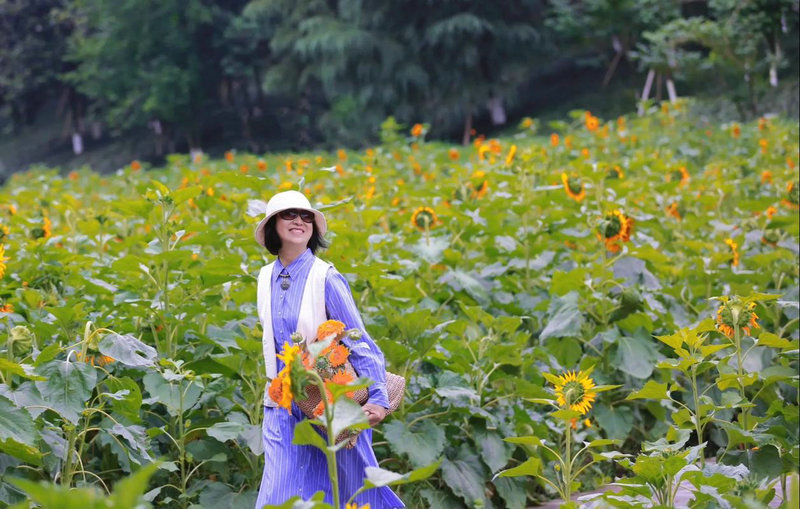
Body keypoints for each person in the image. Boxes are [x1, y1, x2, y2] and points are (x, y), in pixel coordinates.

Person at [253, 190, 404, 508]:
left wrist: (377, 399)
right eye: (289, 214)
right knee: (279, 496)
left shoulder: (326, 277)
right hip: (282, 408)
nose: (299, 221)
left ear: (314, 228)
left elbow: (358, 341)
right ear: (272, 226)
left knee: (355, 491)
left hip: (332, 403)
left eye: (306, 215)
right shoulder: (264, 277)